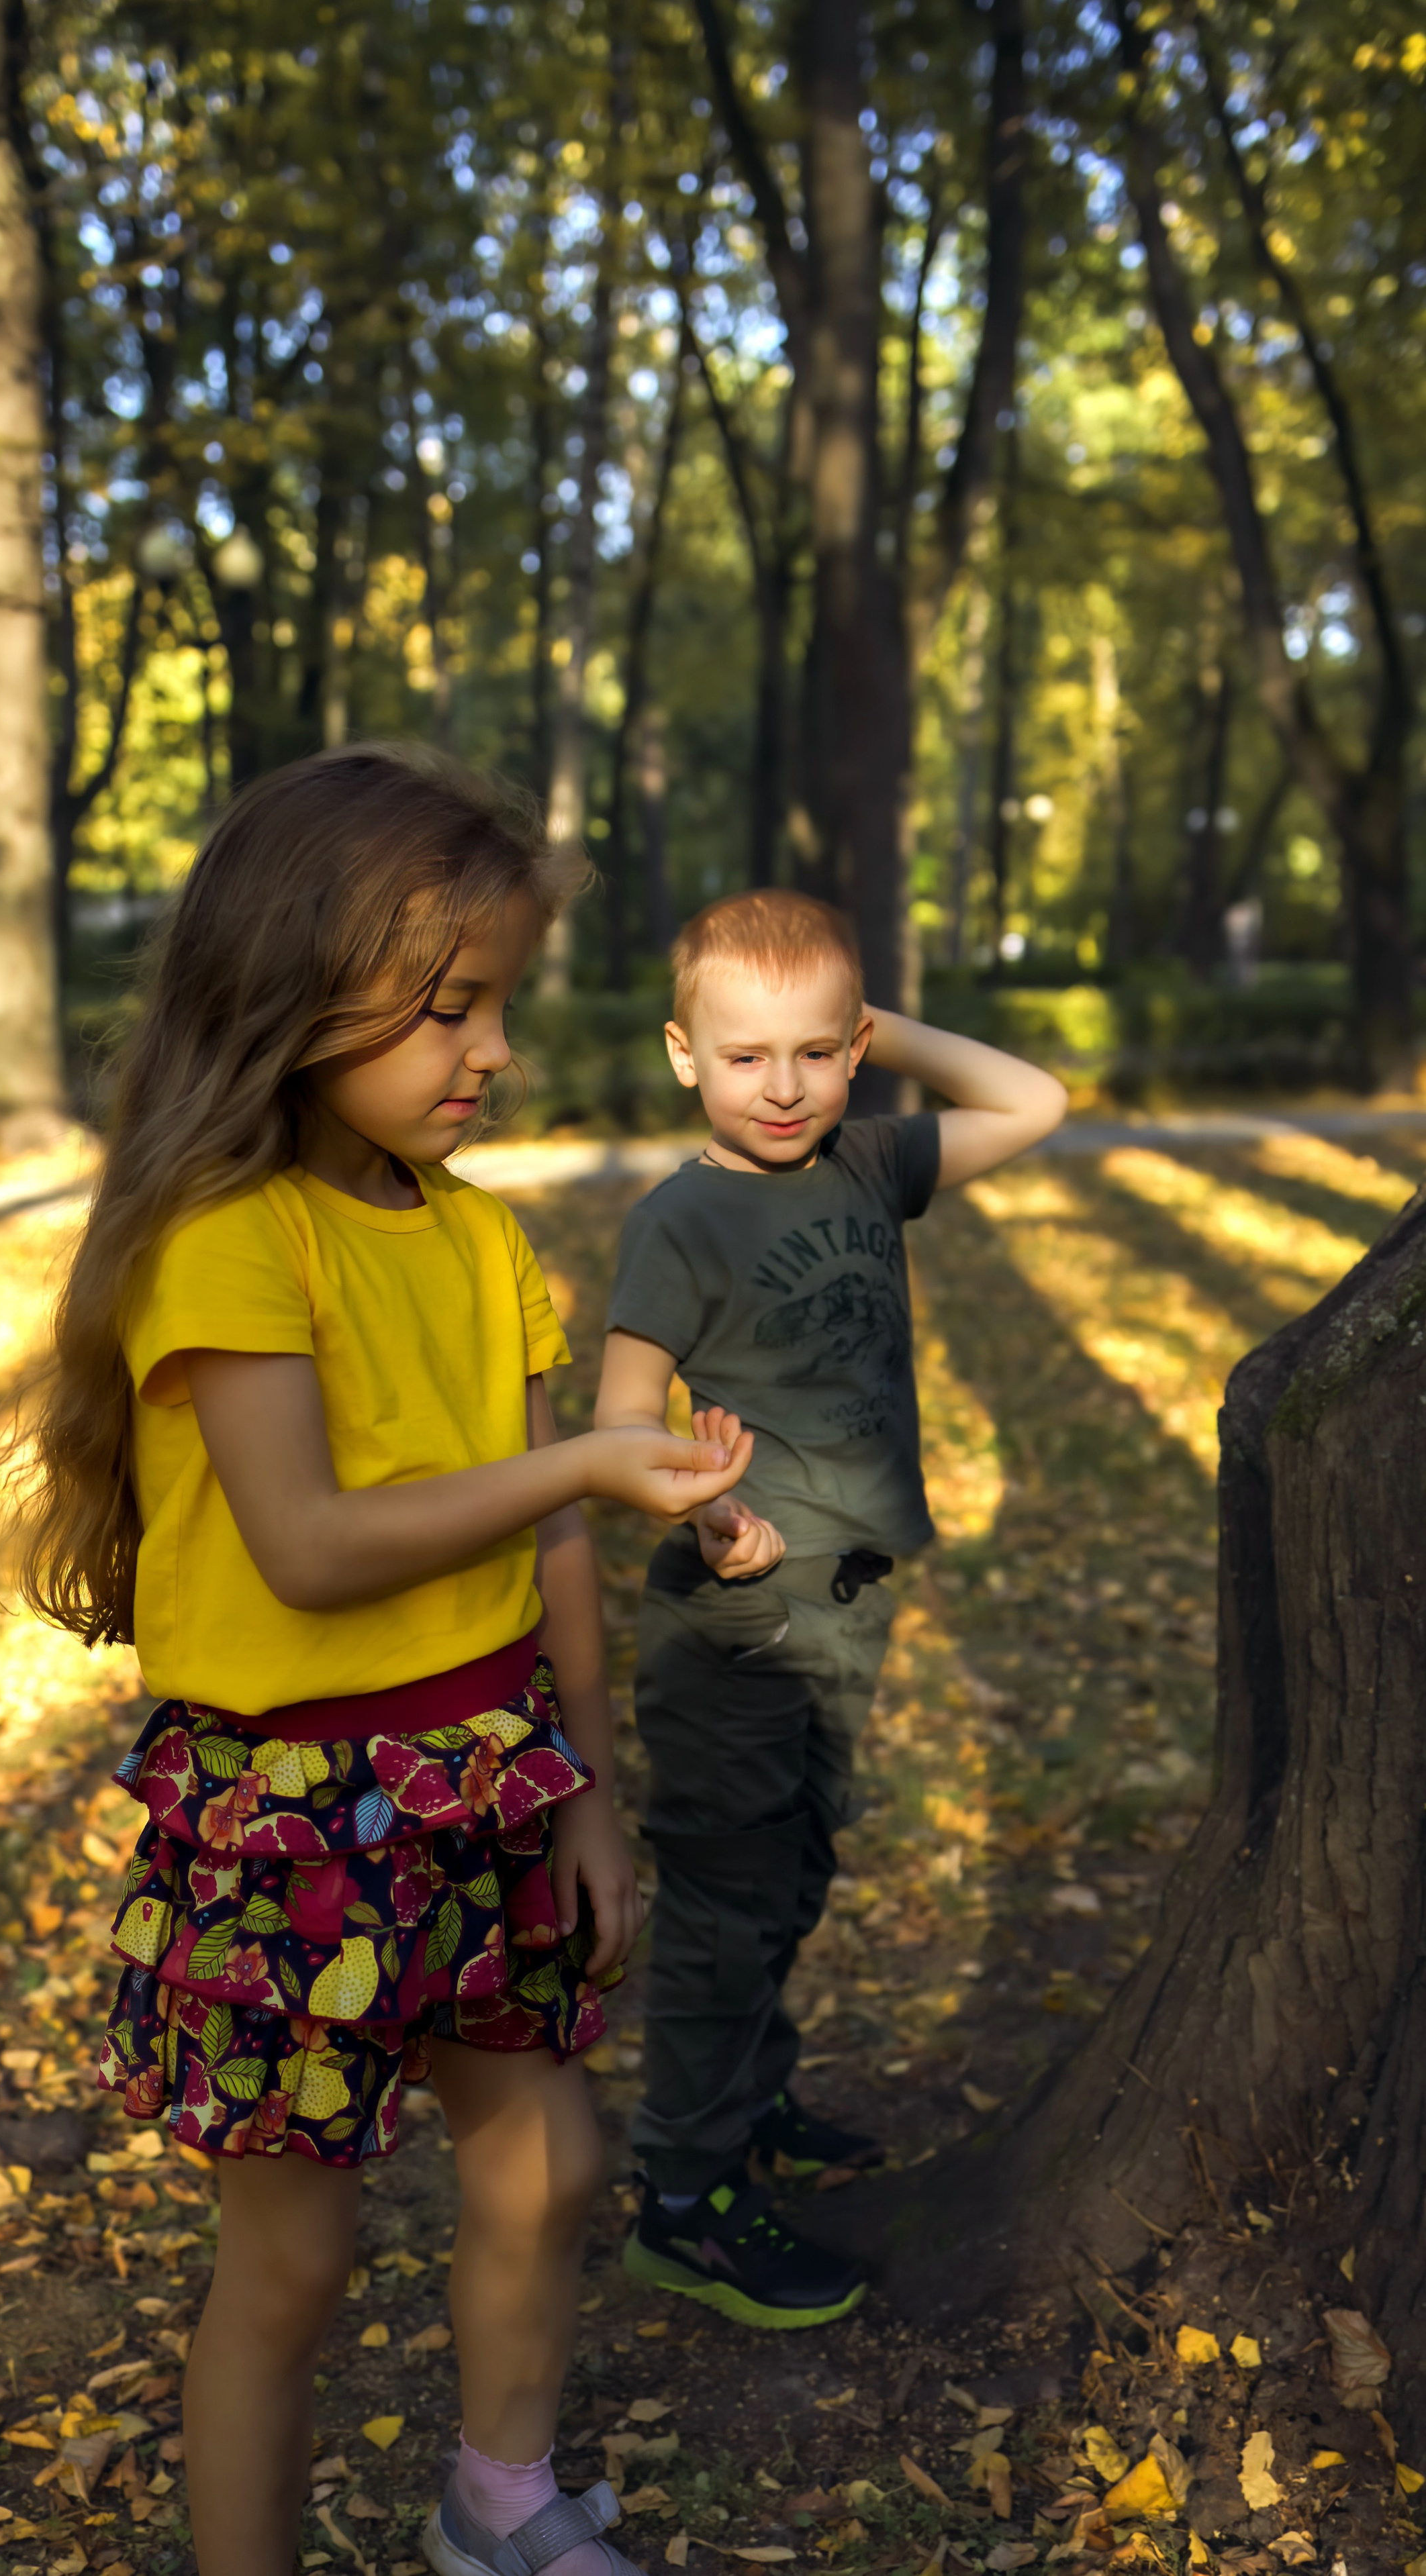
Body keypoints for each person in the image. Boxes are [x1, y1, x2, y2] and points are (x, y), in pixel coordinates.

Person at [0, 745, 758, 2576]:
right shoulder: (227, 1238)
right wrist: (582, 1460)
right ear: (289, 990)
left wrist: (588, 1789)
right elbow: (311, 1543)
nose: (490, 1051)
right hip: (290, 1812)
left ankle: (497, 2500)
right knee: (295, 2256)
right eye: (445, 1007)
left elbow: (549, 1544)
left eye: (499, 1006)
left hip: (487, 1768)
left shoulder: (484, 1238)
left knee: (548, 2159)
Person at [594, 889, 1067, 2329]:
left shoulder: (866, 1157)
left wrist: (876, 1028)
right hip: (738, 1617)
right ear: (684, 1054)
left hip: (847, 1601)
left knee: (790, 1875)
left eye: (817, 1050)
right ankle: (684, 2199)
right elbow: (622, 1418)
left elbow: (1035, 1101)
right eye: (746, 1056)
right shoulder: (680, 1219)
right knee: (727, 1904)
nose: (784, 1085)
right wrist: (705, 1510)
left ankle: (750, 2103)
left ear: (854, 1048)